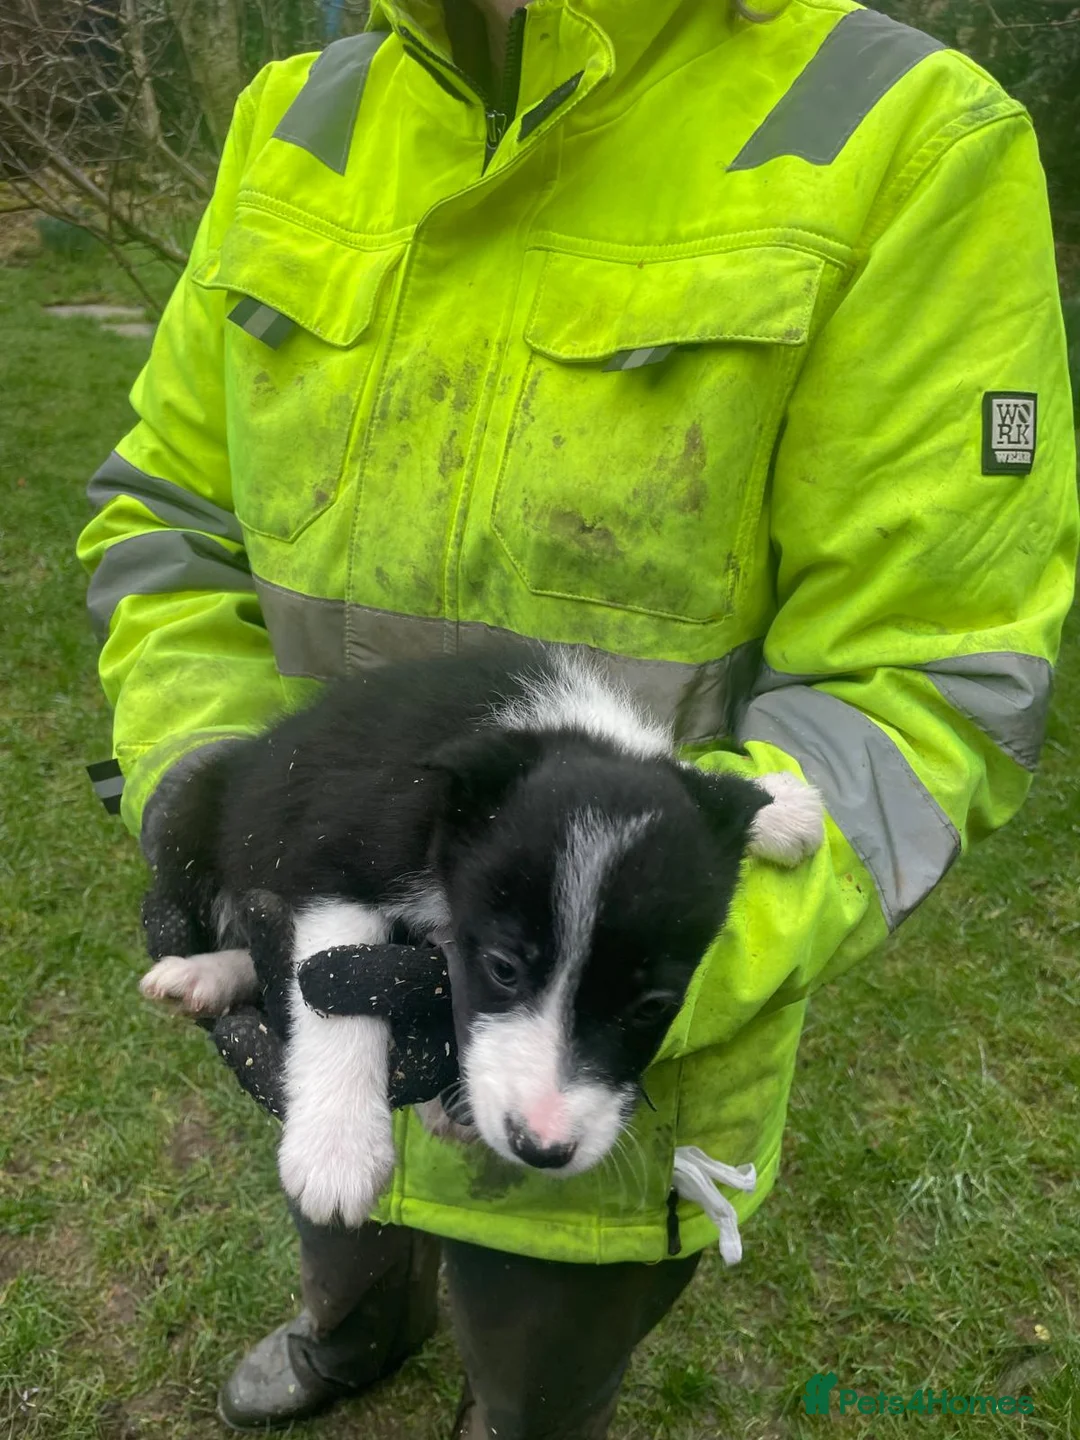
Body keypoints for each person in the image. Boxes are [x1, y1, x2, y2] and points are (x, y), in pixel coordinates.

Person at [77, 0, 1078, 1428]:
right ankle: (349, 1331)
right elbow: (167, 515)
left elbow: (933, 677)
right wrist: (207, 787)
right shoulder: (297, 113)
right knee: (332, 1180)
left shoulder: (906, 131)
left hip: (630, 1064)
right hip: (325, 934)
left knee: (539, 1362)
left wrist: (644, 959)